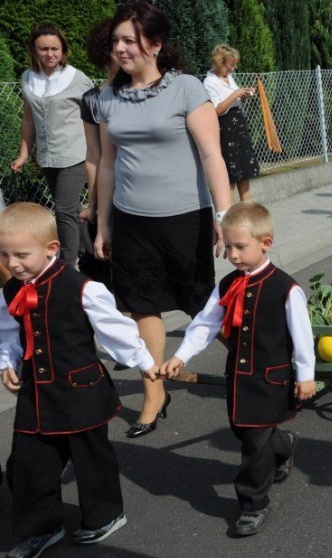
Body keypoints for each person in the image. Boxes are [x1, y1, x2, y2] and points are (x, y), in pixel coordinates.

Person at [93, 1, 233, 438]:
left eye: (129, 40)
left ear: (154, 44)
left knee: (200, 304)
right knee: (140, 306)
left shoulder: (187, 88)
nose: (119, 48)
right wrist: (103, 223)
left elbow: (212, 155)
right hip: (132, 219)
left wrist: (225, 214)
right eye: (116, 40)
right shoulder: (107, 96)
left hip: (184, 217)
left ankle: (261, 359)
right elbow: (108, 165)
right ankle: (154, 394)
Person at [0, 203, 158, 558]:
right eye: (6, 254)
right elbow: (9, 334)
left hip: (80, 390)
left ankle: (105, 514)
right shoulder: (10, 291)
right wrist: (8, 362)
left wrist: (144, 362)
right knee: (27, 463)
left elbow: (116, 330)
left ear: (52, 248)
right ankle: (41, 527)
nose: (13, 263)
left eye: (22, 255)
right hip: (36, 394)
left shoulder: (82, 287)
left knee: (91, 460)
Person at [161, 202, 315, 536]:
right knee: (243, 432)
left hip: (270, 379)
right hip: (238, 380)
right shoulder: (228, 284)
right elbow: (206, 324)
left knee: (254, 446)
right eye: (228, 246)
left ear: (266, 243)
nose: (232, 254)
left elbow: (303, 336)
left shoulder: (286, 288)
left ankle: (253, 504)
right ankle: (284, 443)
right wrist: (181, 356)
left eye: (240, 247)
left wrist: (306, 376)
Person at [10, 23, 93, 268]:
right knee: (71, 210)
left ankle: (66, 266)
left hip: (75, 154)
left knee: (64, 209)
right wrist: (23, 154)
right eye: (43, 49)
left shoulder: (77, 78)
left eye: (55, 48)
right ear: (34, 51)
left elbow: (97, 115)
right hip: (47, 156)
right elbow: (28, 118)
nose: (50, 54)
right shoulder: (27, 77)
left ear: (63, 49)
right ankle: (84, 255)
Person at [79, 18, 116, 291]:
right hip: (108, 191)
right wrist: (92, 204)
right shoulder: (92, 99)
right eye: (114, 44)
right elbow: (94, 157)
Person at [203, 45, 260, 202]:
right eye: (231, 65)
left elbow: (234, 100)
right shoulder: (209, 82)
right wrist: (235, 94)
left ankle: (246, 205)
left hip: (238, 124)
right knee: (231, 168)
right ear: (220, 63)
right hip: (225, 127)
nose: (234, 68)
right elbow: (217, 109)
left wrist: (244, 95)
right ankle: (230, 209)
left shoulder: (229, 78)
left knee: (244, 165)